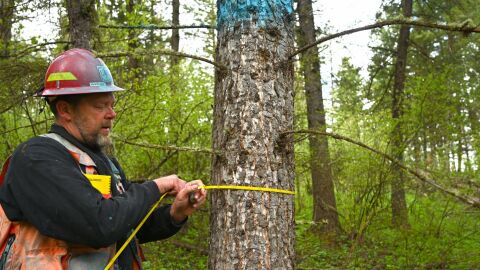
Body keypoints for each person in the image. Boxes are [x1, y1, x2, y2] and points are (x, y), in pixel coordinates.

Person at [0, 48, 207, 269]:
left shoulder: (102, 162)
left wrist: (175, 214)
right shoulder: (35, 158)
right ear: (64, 109)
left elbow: (126, 226)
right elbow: (100, 225)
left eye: (112, 105)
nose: (112, 113)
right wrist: (156, 186)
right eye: (100, 106)